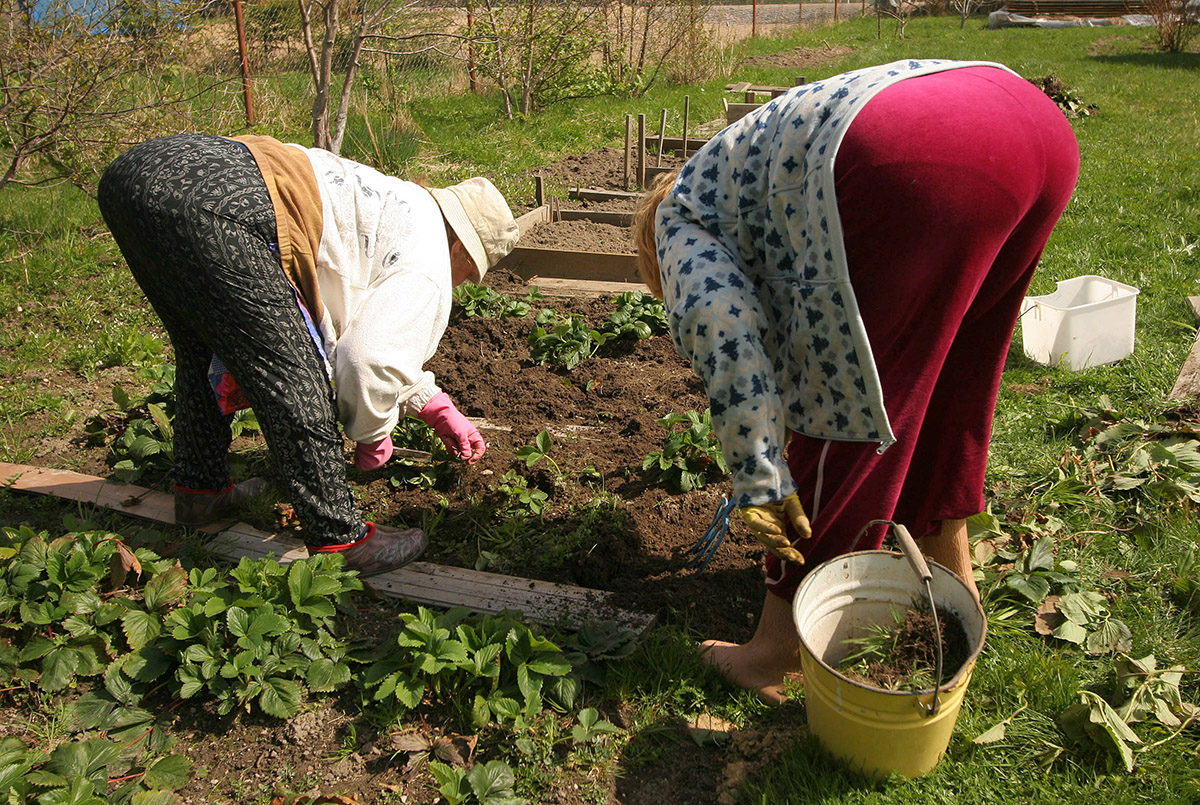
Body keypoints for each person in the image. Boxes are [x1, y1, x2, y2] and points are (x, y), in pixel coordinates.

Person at [632, 59, 1079, 703]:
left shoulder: (680, 220)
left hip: (913, 155)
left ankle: (775, 652)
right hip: (1028, 120)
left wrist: (762, 483)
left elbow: (731, 347)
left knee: (843, 410)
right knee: (947, 390)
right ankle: (954, 591)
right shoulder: (741, 173)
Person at [98, 133, 519, 576]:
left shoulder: (400, 207)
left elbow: (357, 322)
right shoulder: (432, 261)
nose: (461, 284)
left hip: (142, 176)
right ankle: (341, 540)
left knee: (203, 347)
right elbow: (367, 359)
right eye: (469, 273)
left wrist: (433, 405)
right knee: (293, 376)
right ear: (460, 248)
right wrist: (373, 435)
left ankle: (201, 492)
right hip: (220, 202)